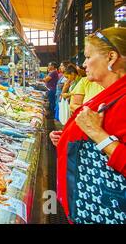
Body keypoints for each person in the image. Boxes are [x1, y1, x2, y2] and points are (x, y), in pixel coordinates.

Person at [49, 27, 126, 224]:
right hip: (84, 203)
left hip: (105, 209)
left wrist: (96, 133)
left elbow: (102, 136)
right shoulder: (111, 93)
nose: (83, 64)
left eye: (88, 56)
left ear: (111, 58)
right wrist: (67, 138)